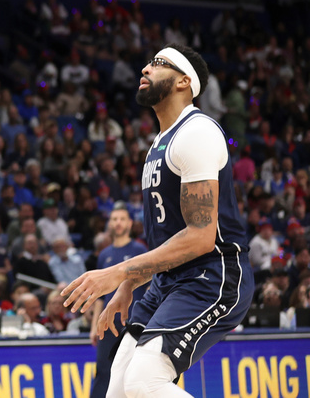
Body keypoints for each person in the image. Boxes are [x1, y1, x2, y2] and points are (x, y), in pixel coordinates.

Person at [63, 44, 254, 398]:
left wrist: (118, 272)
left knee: (143, 382)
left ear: (184, 81)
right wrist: (129, 284)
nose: (145, 69)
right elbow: (169, 239)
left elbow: (200, 237)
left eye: (159, 63)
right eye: (148, 63)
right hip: (169, 280)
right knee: (118, 387)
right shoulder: (160, 143)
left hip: (211, 274)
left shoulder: (196, 132)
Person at [89, 205, 148, 398]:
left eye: (122, 219)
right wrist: (93, 326)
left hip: (133, 321)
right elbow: (99, 296)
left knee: (133, 373)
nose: (118, 223)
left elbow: (149, 287)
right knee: (103, 371)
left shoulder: (140, 249)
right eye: (114, 219)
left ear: (130, 223)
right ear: (110, 224)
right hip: (107, 322)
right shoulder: (104, 254)